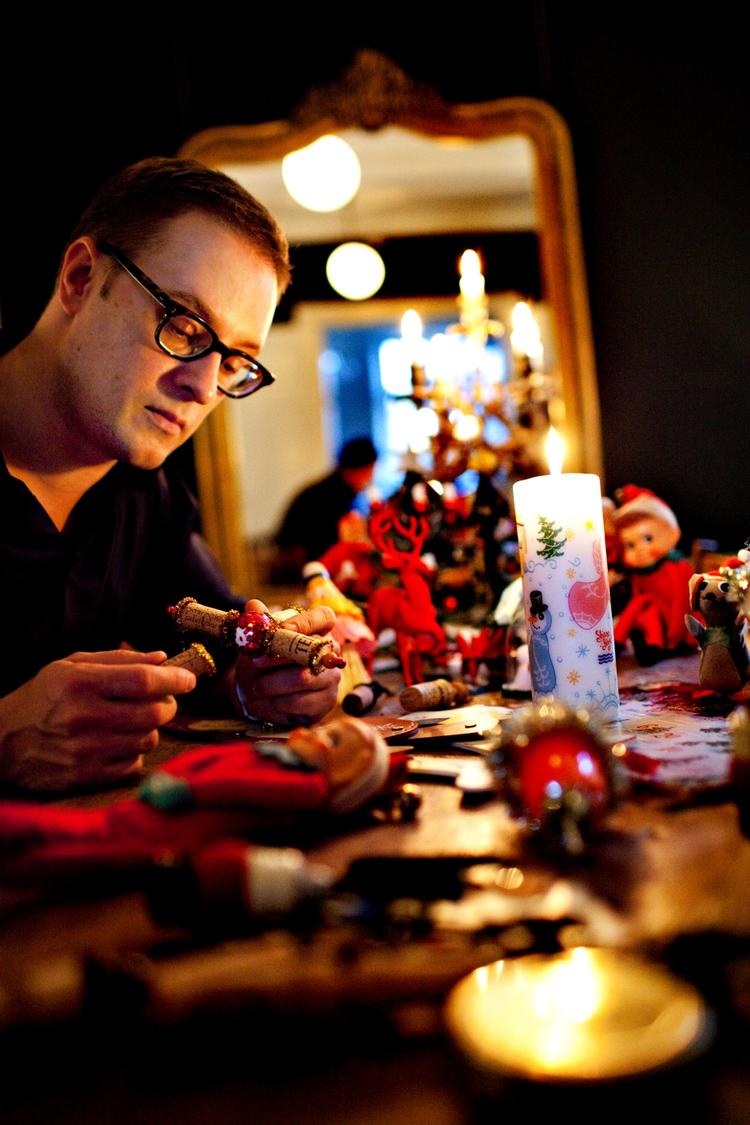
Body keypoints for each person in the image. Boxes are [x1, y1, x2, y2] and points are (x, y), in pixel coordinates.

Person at [0, 157, 341, 793]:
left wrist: (262, 684)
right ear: (80, 278)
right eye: (184, 328)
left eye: (236, 362)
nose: (204, 386)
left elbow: (230, 645)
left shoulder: (143, 496)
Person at [272, 436, 377, 579]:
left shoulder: (337, 490)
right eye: (370, 470)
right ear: (356, 469)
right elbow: (332, 545)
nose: (371, 478)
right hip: (302, 568)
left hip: (311, 562)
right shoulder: (330, 496)